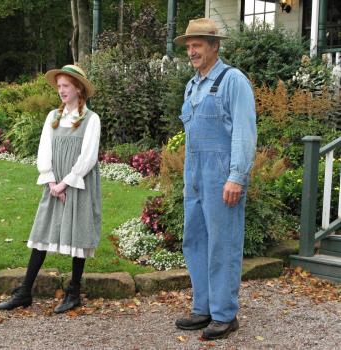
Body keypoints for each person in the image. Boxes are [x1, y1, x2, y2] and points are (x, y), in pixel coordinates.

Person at [173, 18, 257, 340]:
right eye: (189, 46)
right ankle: (203, 308)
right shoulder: (193, 85)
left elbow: (244, 133)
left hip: (222, 175)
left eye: (198, 45)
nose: (192, 51)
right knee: (195, 240)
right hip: (194, 174)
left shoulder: (233, 80)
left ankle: (225, 314)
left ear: (214, 45)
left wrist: (236, 176)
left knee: (223, 244)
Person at [0, 65, 101, 314]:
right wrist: (52, 182)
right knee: (42, 231)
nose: (61, 90)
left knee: (78, 231)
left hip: (78, 182)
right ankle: (24, 292)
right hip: (55, 183)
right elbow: (44, 150)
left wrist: (67, 182)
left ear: (78, 88)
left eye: (66, 86)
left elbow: (89, 157)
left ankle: (73, 292)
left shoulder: (91, 119)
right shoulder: (53, 116)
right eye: (59, 86)